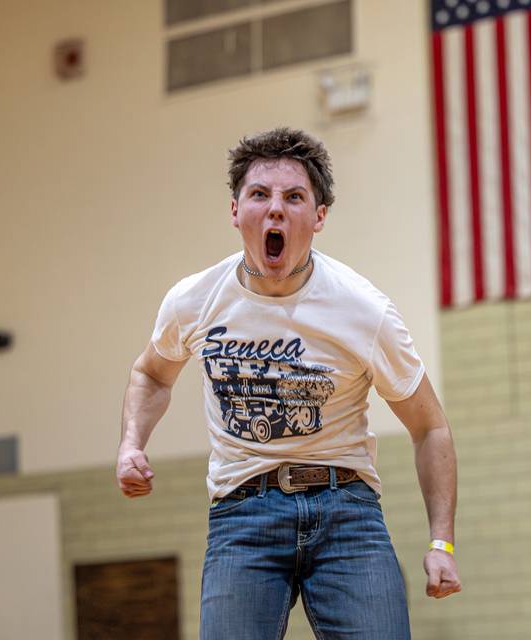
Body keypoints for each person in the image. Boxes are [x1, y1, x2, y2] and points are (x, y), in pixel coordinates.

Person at [116, 127, 461, 639]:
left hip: (346, 511)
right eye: (260, 194)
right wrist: (130, 443)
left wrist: (442, 542)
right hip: (241, 514)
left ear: (318, 217)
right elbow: (151, 373)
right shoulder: (193, 301)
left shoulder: (363, 310)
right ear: (235, 211)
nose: (275, 209)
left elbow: (429, 426)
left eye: (294, 197)